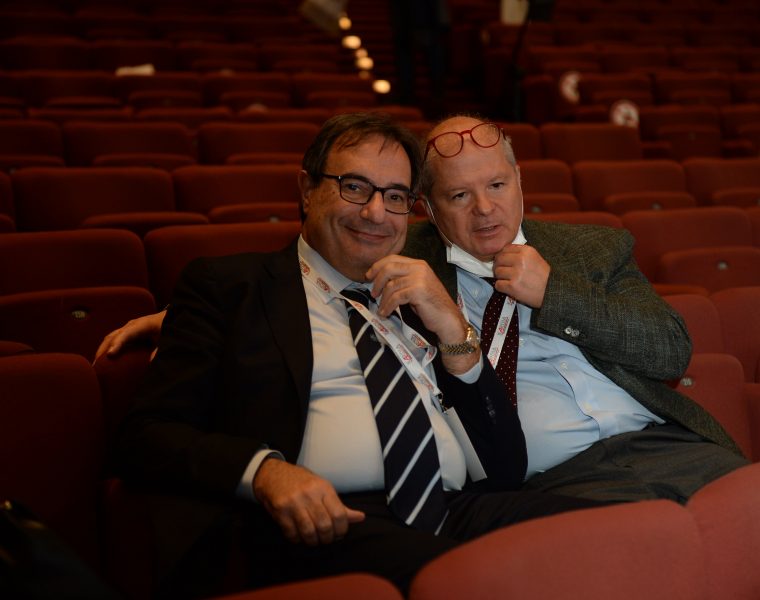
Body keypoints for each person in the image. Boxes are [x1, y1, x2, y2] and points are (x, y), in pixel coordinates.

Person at [114, 113, 600, 599]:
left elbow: (505, 468)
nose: (375, 212)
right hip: (323, 521)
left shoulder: (419, 299)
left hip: (452, 508)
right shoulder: (231, 289)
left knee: (604, 536)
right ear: (307, 190)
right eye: (354, 187)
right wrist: (264, 470)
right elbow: (146, 434)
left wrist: (454, 330)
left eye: (395, 196)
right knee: (476, 579)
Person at [406, 115, 747, 502]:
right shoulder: (411, 267)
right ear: (429, 208)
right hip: (554, 480)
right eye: (459, 196)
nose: (484, 208)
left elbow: (669, 352)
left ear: (519, 179)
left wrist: (555, 293)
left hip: (666, 446)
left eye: (497, 185)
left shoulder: (591, 249)